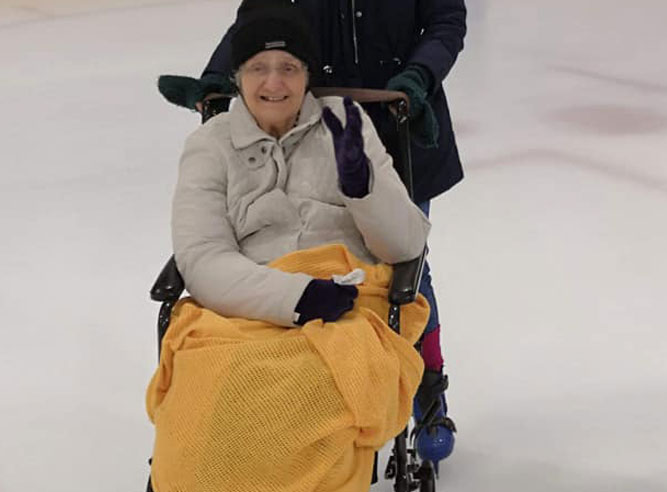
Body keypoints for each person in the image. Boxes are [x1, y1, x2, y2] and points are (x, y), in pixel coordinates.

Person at [159, 0, 465, 464]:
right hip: (305, 100)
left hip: (393, 115)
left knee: (410, 277)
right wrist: (220, 76)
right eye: (255, 69)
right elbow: (258, 21)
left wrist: (420, 75)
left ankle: (427, 392)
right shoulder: (220, 139)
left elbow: (445, 18)